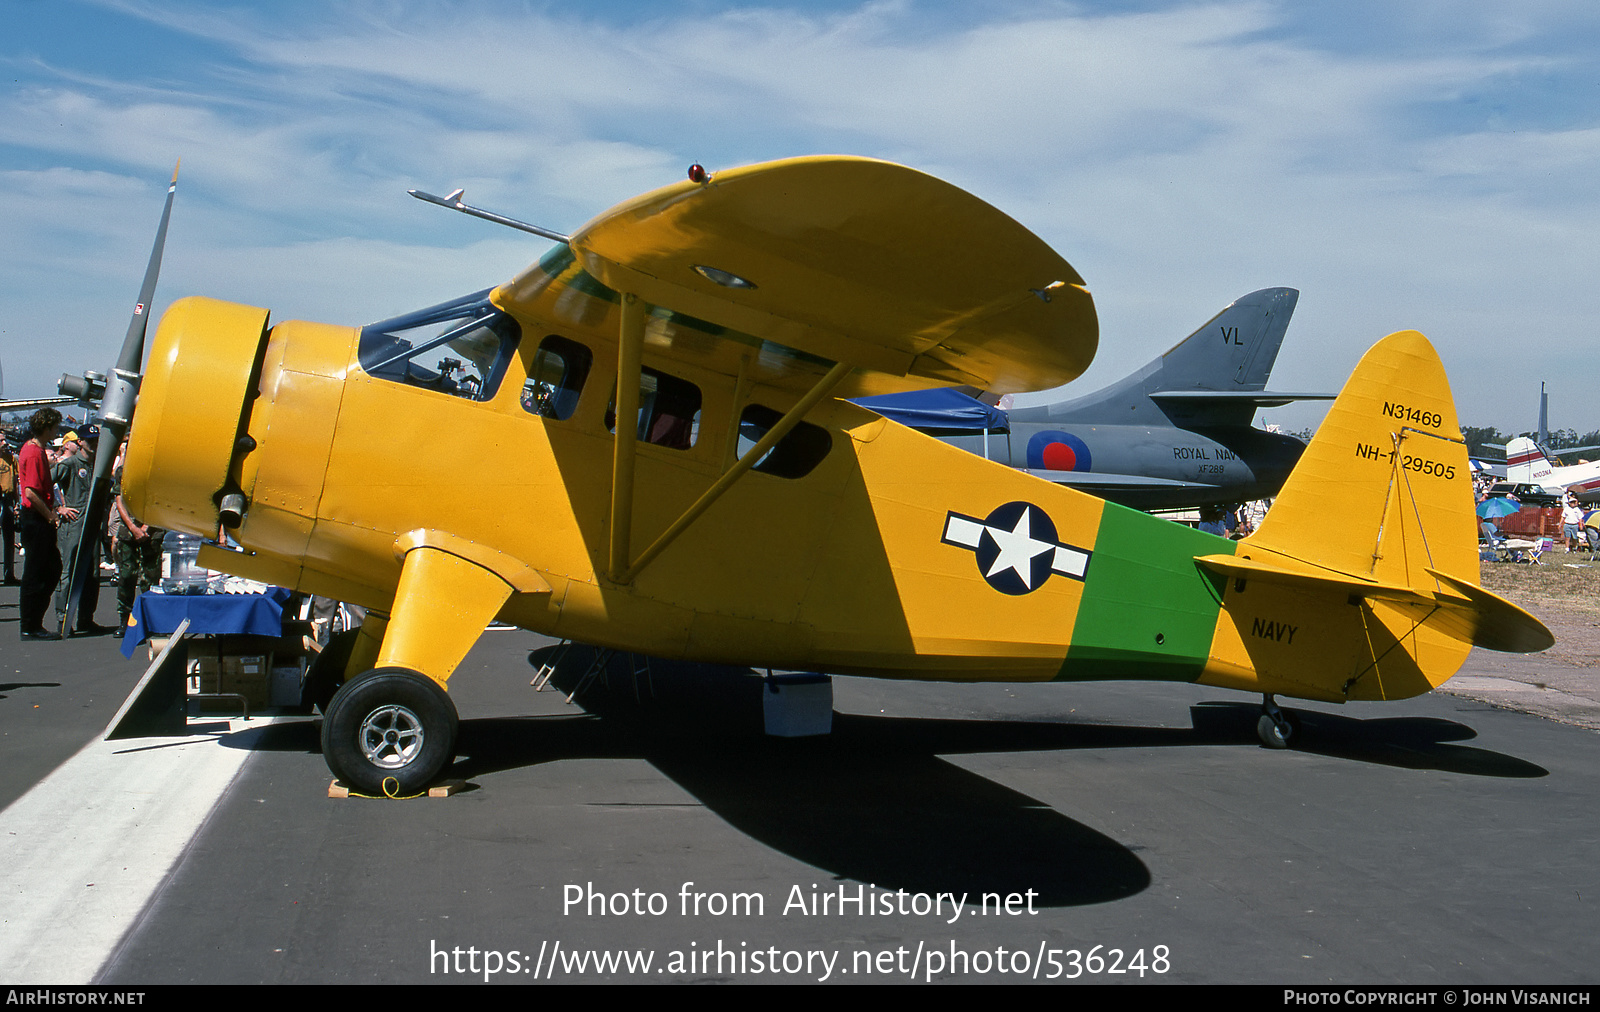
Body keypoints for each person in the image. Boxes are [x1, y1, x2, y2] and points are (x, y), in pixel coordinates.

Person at [17, 408, 72, 639]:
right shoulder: (33, 452)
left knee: (50, 569)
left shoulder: (38, 451)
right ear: (47, 427)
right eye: (56, 427)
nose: (58, 431)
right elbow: (30, 493)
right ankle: (30, 625)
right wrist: (50, 516)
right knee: (36, 572)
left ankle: (34, 622)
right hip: (36, 519)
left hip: (40, 517)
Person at [52, 427, 108, 634]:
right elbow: (46, 484)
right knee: (69, 572)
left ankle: (86, 618)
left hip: (92, 525)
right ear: (80, 442)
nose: (94, 444)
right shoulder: (70, 464)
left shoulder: (99, 465)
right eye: (90, 440)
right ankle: (63, 618)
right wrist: (59, 508)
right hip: (74, 525)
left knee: (92, 573)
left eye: (97, 440)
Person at [0, 432, 17, 584]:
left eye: (5, 439)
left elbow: (16, 480)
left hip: (8, 499)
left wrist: (17, 501)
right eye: (1, 440)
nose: (4, 443)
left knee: (9, 538)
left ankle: (9, 574)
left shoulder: (11, 459)